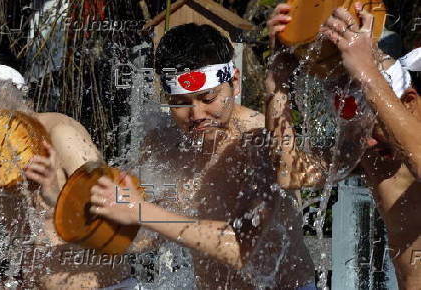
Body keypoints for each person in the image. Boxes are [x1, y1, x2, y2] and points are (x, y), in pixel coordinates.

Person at [89, 23, 318, 289]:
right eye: (181, 103)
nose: (196, 115)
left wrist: (141, 211)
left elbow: (241, 248)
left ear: (234, 81)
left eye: (208, 98)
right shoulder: (163, 143)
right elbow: (145, 236)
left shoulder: (259, 141)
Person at [268, 2, 421, 289]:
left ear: (409, 102)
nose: (367, 142)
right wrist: (277, 84)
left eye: (376, 127)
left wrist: (366, 71)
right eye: (357, 132)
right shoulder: (371, 150)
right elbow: (291, 172)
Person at [0, 41, 134, 289]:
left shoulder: (61, 135)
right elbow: (32, 250)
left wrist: (55, 195)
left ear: (5, 91)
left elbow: (119, 232)